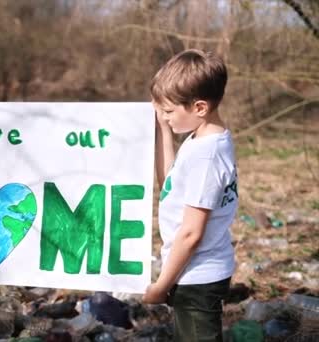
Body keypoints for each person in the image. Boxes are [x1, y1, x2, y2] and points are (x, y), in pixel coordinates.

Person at [142, 49, 238, 342]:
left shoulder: (206, 158)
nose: (165, 116)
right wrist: (163, 129)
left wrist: (161, 286)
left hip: (197, 278)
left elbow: (191, 234)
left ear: (199, 107)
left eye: (169, 111)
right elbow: (169, 183)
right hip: (191, 273)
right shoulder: (202, 139)